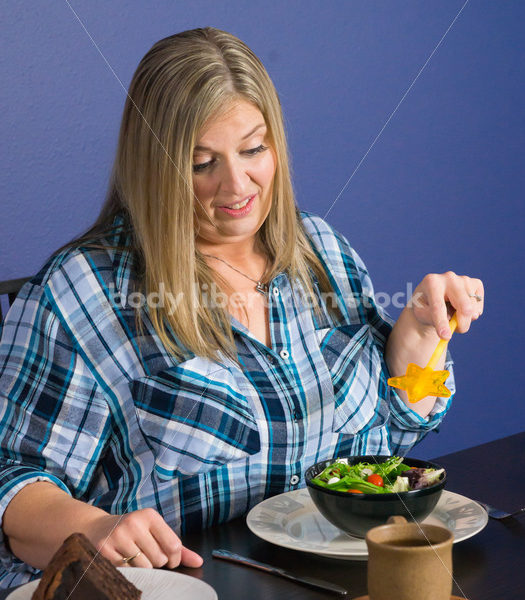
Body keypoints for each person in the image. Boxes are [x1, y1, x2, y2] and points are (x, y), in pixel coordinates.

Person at [0, 27, 483, 587]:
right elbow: (11, 477)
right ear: (153, 166)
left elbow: (385, 455)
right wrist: (96, 527)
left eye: (253, 149)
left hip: (332, 581)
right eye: (202, 163)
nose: (237, 184)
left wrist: (419, 337)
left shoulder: (321, 251)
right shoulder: (84, 290)